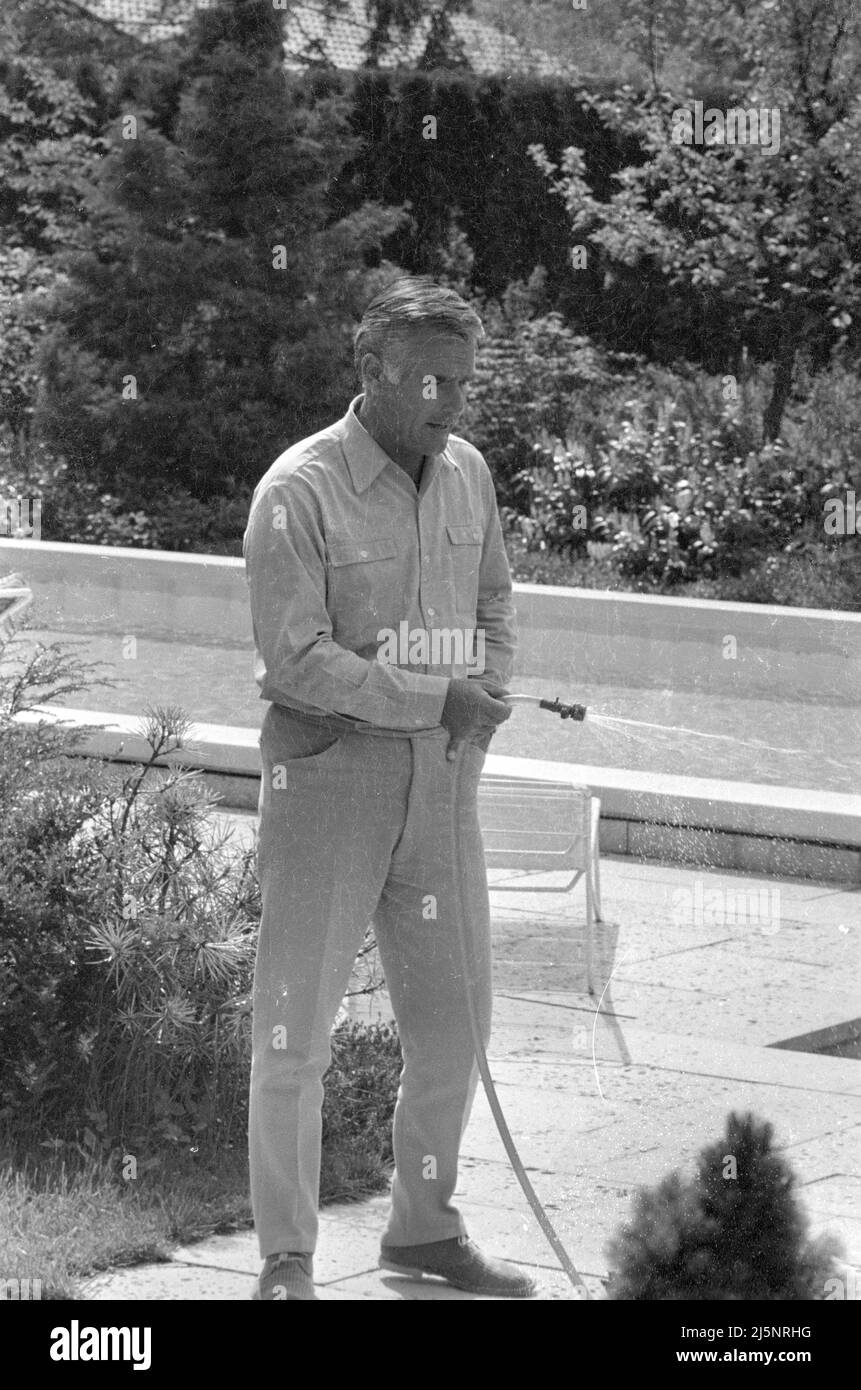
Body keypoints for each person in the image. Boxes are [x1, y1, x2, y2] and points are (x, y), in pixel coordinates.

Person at [242, 276, 535, 1300]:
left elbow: (495, 602)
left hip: (443, 783)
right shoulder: (299, 489)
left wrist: (483, 700)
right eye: (429, 379)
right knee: (295, 1029)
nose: (449, 401)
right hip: (329, 779)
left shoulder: (469, 476)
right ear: (369, 371)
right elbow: (297, 661)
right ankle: (286, 1259)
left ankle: (422, 1232)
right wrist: (432, 698)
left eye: (462, 381)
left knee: (456, 1024)